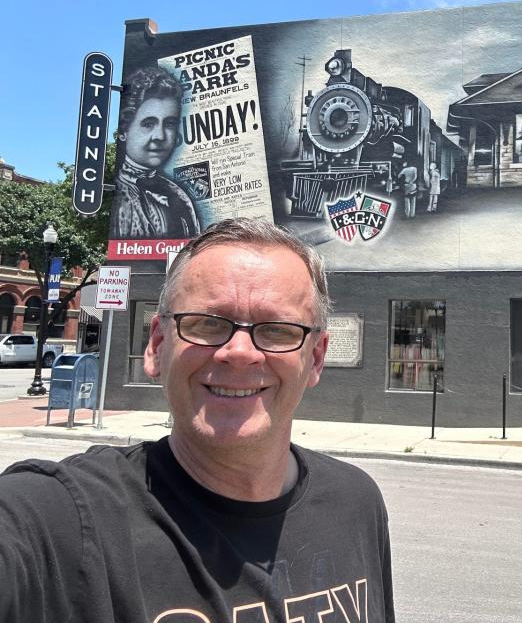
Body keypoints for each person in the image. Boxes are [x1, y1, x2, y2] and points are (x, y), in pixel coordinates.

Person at [0, 218, 395, 622]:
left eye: (277, 330)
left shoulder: (358, 503)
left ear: (315, 358)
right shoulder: (60, 520)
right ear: (156, 345)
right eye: (207, 323)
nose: (239, 352)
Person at [111, 67, 201, 239]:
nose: (160, 136)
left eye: (169, 124)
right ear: (124, 130)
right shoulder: (115, 198)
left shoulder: (179, 196)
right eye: (148, 124)